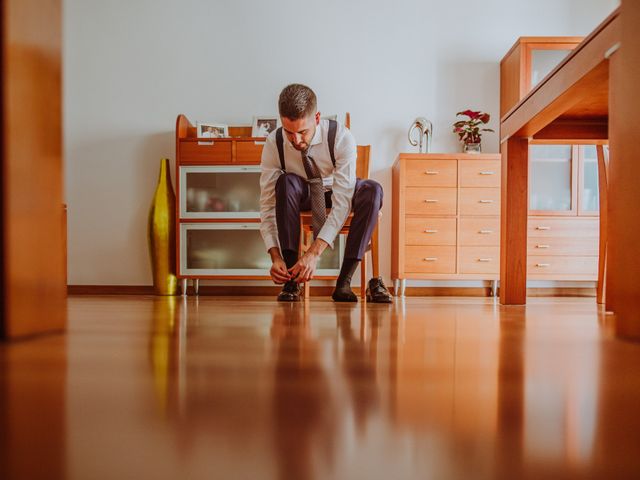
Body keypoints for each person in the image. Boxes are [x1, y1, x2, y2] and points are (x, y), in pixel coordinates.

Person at [259, 83, 392, 303]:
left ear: (317, 118)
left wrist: (312, 254)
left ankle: (344, 283)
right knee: (285, 182)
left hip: (336, 189)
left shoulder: (341, 137)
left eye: (303, 132)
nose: (296, 140)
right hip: (303, 193)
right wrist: (274, 255)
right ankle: (291, 279)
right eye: (289, 132)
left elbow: (342, 203)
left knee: (373, 190)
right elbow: (267, 204)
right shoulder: (274, 143)